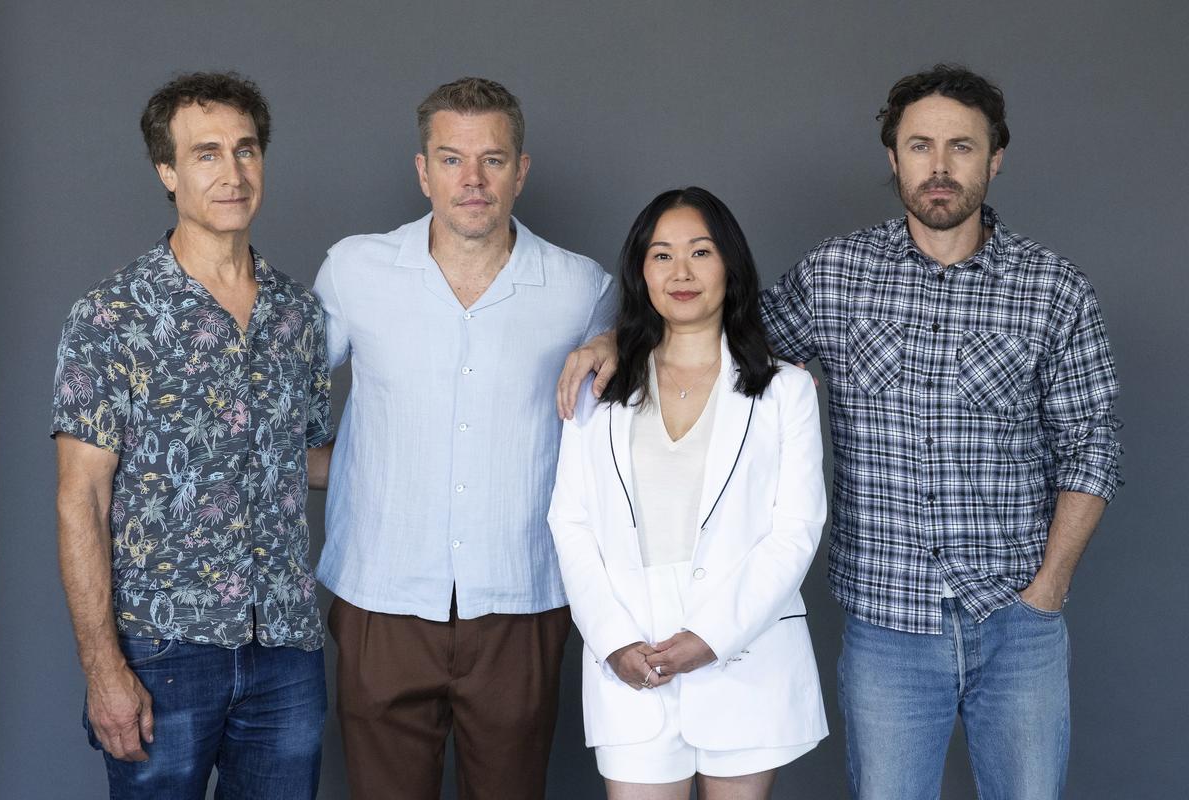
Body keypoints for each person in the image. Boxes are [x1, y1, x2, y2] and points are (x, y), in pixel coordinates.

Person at [558, 65, 1122, 799]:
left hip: (1018, 618)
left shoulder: (1055, 289)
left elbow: (1092, 445)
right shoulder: (837, 274)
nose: (940, 166)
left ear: (996, 157)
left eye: (962, 146)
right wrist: (612, 342)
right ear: (894, 158)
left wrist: (1047, 590)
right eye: (920, 146)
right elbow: (717, 329)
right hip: (888, 622)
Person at [310, 77, 614, 799]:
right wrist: (340, 466)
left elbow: (623, 438)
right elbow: (270, 395)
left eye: (493, 160)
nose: (472, 181)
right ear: (422, 170)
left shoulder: (582, 288)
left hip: (522, 596)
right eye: (451, 159)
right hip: (380, 593)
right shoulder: (355, 269)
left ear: (522, 169)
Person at [52, 72, 333, 799]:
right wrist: (102, 668)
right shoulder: (111, 316)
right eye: (206, 154)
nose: (233, 173)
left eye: (246, 150)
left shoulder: (297, 314)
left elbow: (304, 460)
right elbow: (80, 497)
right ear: (168, 172)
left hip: (286, 649)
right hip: (161, 648)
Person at [549, 187, 828, 799]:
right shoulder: (599, 389)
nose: (681, 272)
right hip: (630, 657)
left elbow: (796, 530)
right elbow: (569, 523)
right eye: (661, 255)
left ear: (730, 264)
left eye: (701, 252)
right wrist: (612, 639)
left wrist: (714, 637)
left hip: (746, 653)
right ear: (640, 271)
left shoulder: (785, 391)